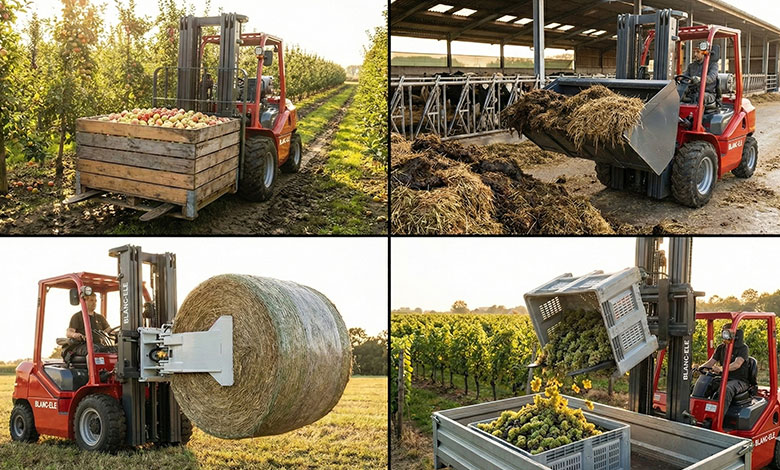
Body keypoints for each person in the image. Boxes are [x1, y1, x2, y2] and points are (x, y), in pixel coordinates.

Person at [697, 324, 750, 410]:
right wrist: (699, 368)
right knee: (704, 385)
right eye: (724, 332)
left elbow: (737, 364)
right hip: (724, 377)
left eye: (727, 332)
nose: (724, 335)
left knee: (726, 389)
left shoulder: (742, 348)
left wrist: (721, 368)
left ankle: (718, 419)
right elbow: (711, 362)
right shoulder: (721, 348)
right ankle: (699, 411)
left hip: (739, 380)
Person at [682, 41, 719, 106]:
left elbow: (711, 78)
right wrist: (680, 78)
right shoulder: (691, 66)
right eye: (694, 52)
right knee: (677, 95)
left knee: (699, 97)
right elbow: (685, 77)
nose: (695, 54)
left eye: (698, 52)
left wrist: (699, 79)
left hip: (708, 93)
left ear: (704, 53)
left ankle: (695, 115)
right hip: (692, 92)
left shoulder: (713, 65)